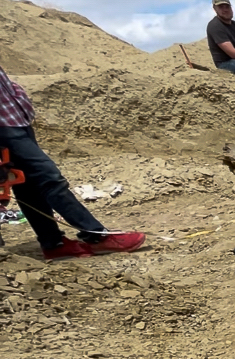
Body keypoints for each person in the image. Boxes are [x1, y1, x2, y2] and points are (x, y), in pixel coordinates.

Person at [0, 66, 145, 260]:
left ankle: (53, 243)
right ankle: (96, 235)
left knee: (29, 186)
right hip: (4, 128)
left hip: (16, 120)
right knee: (49, 178)